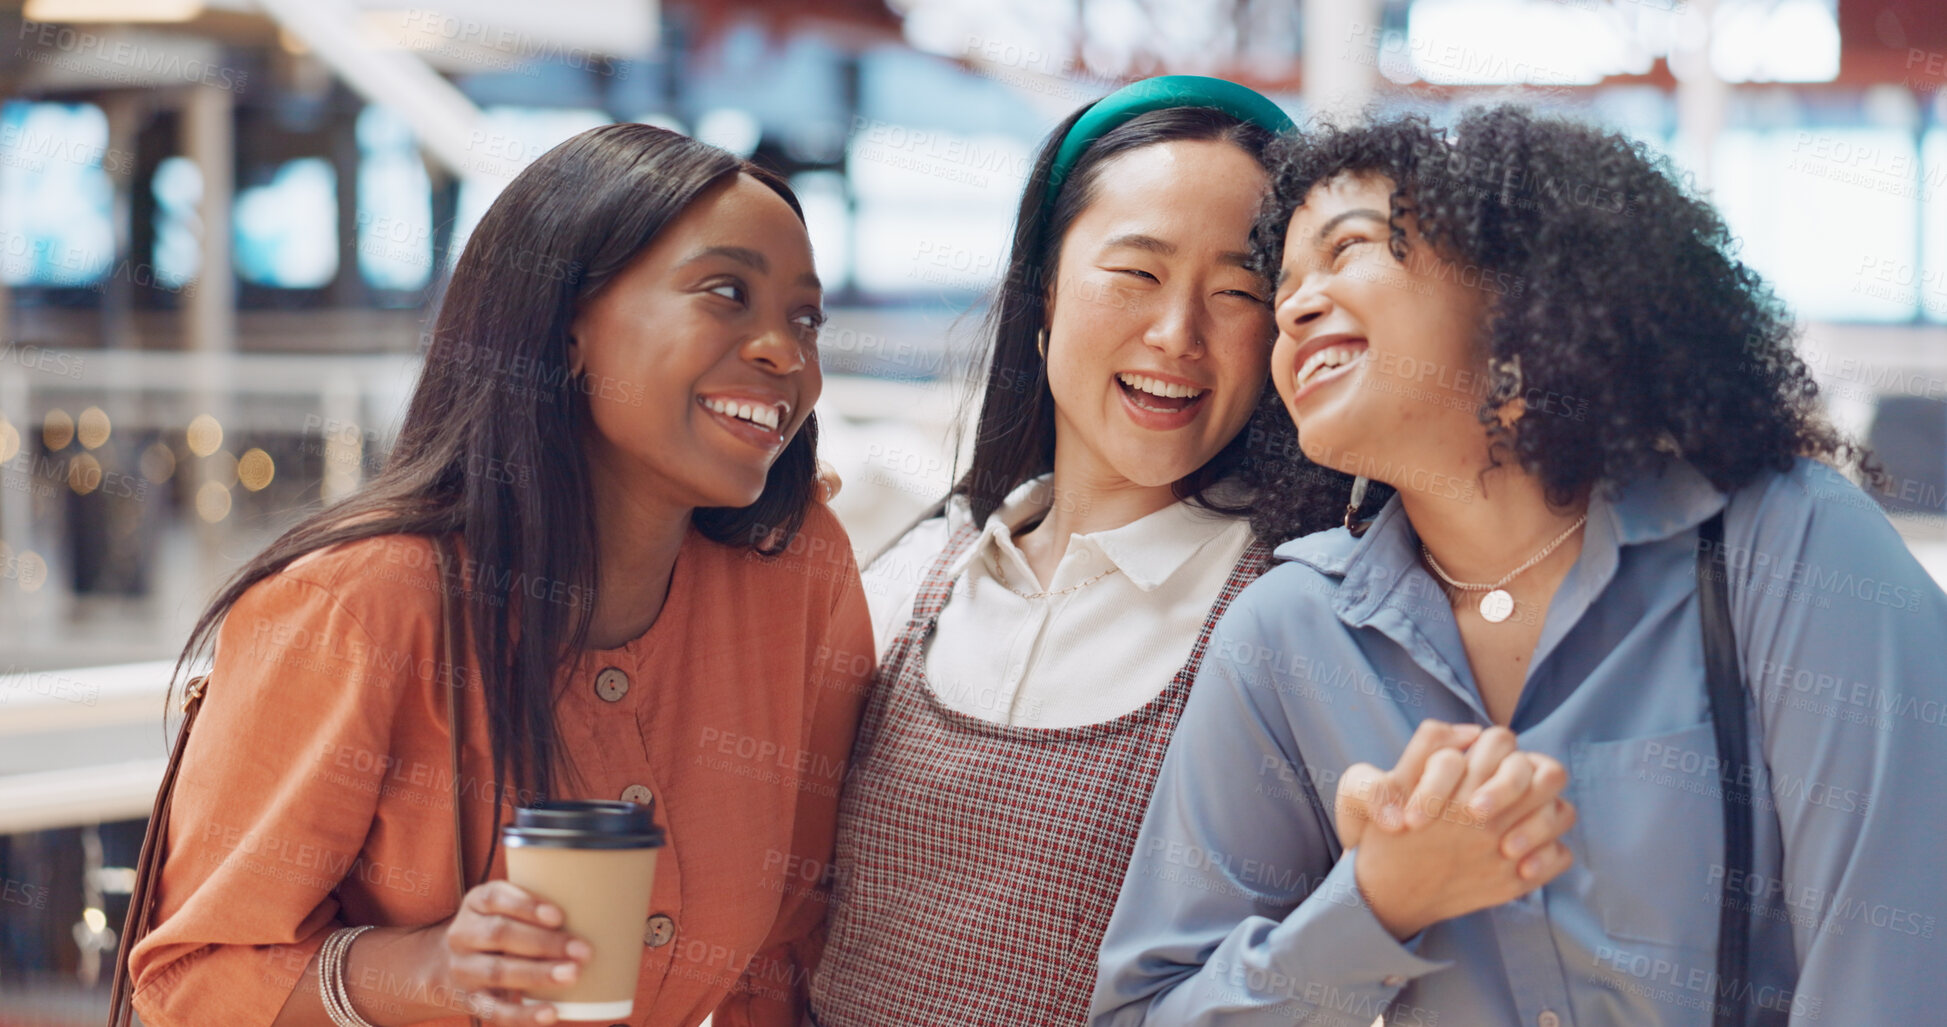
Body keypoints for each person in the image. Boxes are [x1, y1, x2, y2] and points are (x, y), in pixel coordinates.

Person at [1094, 105, 1947, 1026]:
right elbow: (1149, 1011)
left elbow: (1896, 972)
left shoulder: (1792, 549)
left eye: (1347, 251)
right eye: (1283, 283)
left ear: (1516, 294)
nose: (1293, 307)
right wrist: (1376, 902)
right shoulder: (1285, 634)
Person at [126, 124, 873, 1027]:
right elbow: (194, 978)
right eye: (725, 293)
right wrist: (431, 971)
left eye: (805, 319)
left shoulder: (797, 574)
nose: (784, 354)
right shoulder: (356, 606)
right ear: (566, 331)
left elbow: (789, 947)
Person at [808, 77, 1350, 1026]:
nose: (1177, 334)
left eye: (1237, 291)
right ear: (1043, 289)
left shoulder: (1295, 622)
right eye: (1136, 272)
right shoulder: (908, 575)